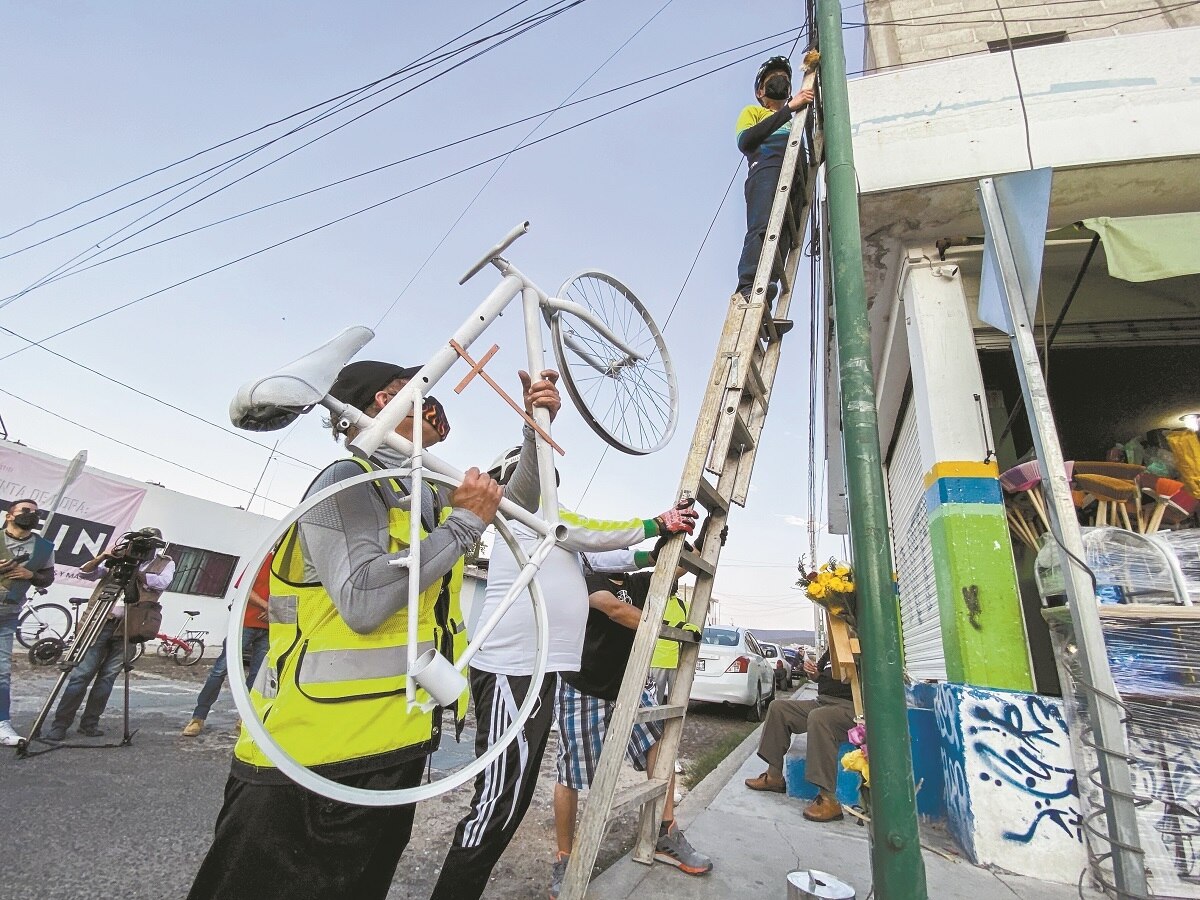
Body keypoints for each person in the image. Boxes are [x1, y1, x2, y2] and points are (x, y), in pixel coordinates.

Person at [187, 360, 561, 900]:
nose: (434, 405)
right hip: (305, 764)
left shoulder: (423, 492)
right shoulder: (348, 481)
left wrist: (534, 429)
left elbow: (514, 505)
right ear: (385, 401)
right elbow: (362, 600)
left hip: (393, 750)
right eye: (421, 392)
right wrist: (464, 525)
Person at [428, 447, 696, 900]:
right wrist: (657, 523)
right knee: (497, 802)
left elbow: (609, 556)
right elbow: (589, 533)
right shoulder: (520, 513)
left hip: (537, 673)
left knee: (509, 802)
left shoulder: (554, 533)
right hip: (511, 672)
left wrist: (655, 549)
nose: (546, 485)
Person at [549, 562, 712, 900]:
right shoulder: (586, 577)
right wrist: (668, 629)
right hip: (583, 687)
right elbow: (615, 610)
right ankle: (565, 858)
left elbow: (679, 565)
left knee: (659, 743)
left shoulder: (638, 583)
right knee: (571, 774)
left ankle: (665, 832)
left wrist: (701, 534)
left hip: (628, 685)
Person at [44, 526, 175, 742]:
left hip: (130, 626)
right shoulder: (119, 556)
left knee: (107, 678)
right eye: (139, 542)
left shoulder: (164, 563)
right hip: (100, 621)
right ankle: (60, 724)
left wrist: (137, 571)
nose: (142, 547)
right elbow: (86, 573)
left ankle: (90, 723)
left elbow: (162, 582)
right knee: (81, 675)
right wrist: (104, 557)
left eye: (148, 543)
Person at [733, 55, 814, 303]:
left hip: (795, 176)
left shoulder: (798, 119)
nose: (779, 81)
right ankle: (748, 285)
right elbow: (745, 141)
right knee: (762, 227)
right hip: (766, 169)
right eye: (772, 79)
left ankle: (767, 289)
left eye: (784, 79)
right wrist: (788, 109)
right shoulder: (754, 112)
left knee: (785, 235)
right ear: (760, 91)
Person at [744, 649, 856, 822]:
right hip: (823, 702)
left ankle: (828, 800)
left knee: (819, 718)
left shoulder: (861, 645)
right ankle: (774, 776)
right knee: (778, 708)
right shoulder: (835, 645)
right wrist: (813, 673)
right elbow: (818, 675)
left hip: (850, 707)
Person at [181, 554, 273, 736]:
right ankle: (198, 717)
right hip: (245, 623)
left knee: (257, 677)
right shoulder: (262, 559)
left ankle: (245, 719)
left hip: (270, 626)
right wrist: (267, 606)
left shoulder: (292, 566)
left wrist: (275, 609)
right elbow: (244, 588)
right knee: (220, 670)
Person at [0, 499, 57, 746]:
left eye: (36, 512)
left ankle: (2, 723)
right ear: (9, 515)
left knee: (2, 672)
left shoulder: (44, 547)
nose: (32, 515)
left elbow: (48, 578)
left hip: (7, 614)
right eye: (25, 510)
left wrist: (31, 574)